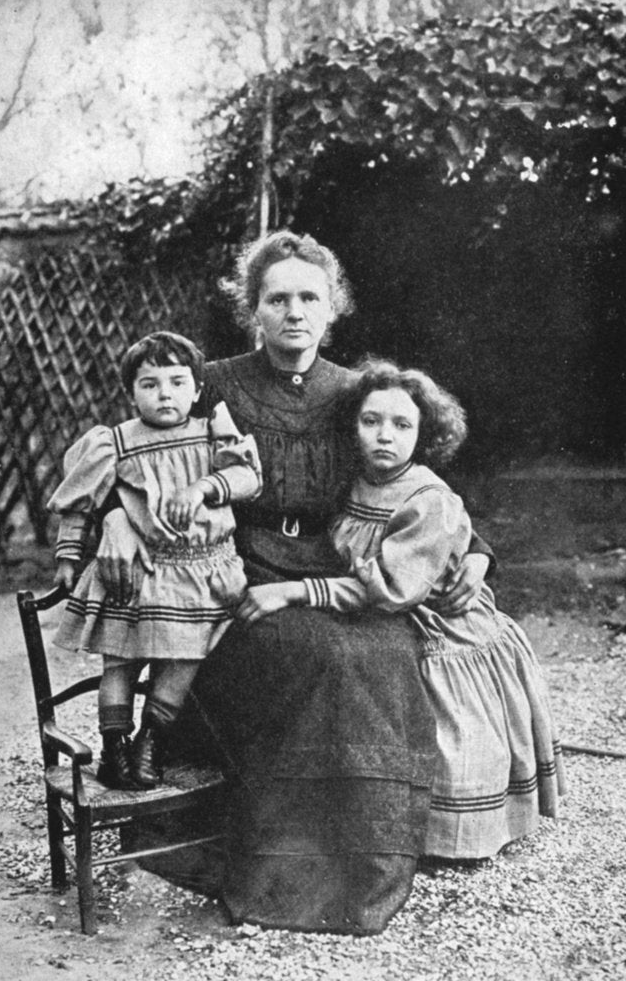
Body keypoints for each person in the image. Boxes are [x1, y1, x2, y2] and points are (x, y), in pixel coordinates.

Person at [95, 231, 494, 934]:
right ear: (253, 309)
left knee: (380, 652)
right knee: (307, 654)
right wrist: (117, 523)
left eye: (309, 297)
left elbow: (413, 487)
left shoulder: (356, 393)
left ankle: (366, 853)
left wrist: (480, 553)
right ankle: (282, 866)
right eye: (277, 298)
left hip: (340, 570)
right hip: (232, 569)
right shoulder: (210, 382)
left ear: (332, 306)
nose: (294, 312)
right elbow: (136, 450)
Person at [237, 359, 565, 858]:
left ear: (424, 434)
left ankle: (453, 836)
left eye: (401, 425)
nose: (384, 436)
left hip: (441, 622)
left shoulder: (427, 498)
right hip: (386, 607)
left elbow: (391, 586)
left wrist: (295, 591)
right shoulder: (353, 481)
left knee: (448, 731)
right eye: (370, 422)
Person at [47, 331, 261, 790]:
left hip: (201, 572)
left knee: (183, 661)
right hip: (136, 572)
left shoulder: (210, 432)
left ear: (197, 390)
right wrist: (68, 556)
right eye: (149, 384)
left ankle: (151, 742)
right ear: (130, 393)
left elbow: (247, 477)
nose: (165, 393)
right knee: (120, 665)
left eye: (177, 382)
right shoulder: (116, 441)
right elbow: (78, 502)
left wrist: (205, 487)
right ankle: (114, 749)